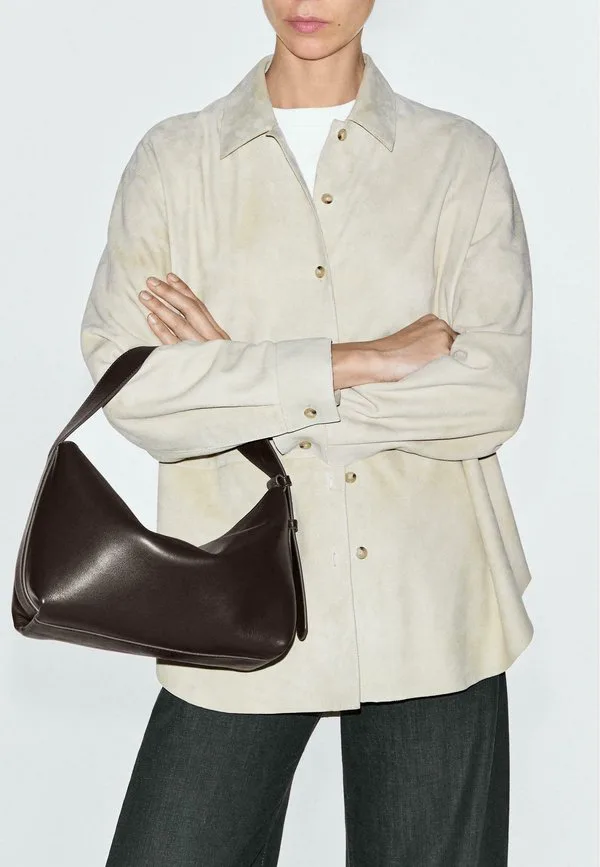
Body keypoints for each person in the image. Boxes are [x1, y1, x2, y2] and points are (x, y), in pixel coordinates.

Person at [79, 1, 534, 864]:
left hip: (432, 604)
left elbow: (488, 395)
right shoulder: (175, 162)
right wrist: (357, 360)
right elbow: (134, 390)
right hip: (232, 606)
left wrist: (245, 382)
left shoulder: (457, 160)